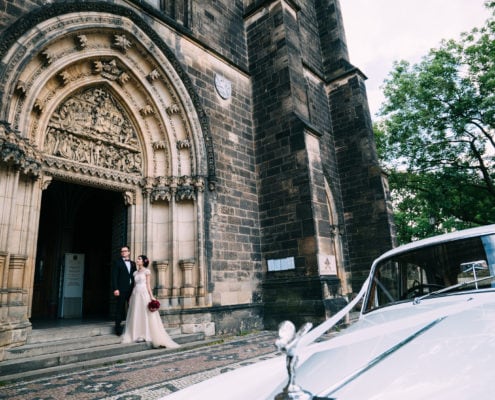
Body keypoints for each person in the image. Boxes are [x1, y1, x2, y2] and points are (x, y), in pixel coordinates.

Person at [121, 254, 180, 349]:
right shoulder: (135, 273)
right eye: (137, 259)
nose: (137, 260)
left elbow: (148, 285)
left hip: (144, 292)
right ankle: (137, 333)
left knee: (145, 313)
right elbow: (135, 285)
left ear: (144, 261)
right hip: (136, 293)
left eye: (139, 259)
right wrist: (131, 296)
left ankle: (146, 334)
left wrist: (152, 297)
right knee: (137, 313)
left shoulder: (147, 271)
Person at [111, 245, 137, 336]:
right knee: (119, 309)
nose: (123, 252)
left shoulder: (133, 263)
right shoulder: (117, 262)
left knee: (132, 308)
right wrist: (115, 289)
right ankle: (118, 329)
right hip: (121, 290)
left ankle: (132, 328)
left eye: (125, 251)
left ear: (129, 252)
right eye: (122, 251)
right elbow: (114, 276)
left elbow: (134, 276)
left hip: (131, 290)